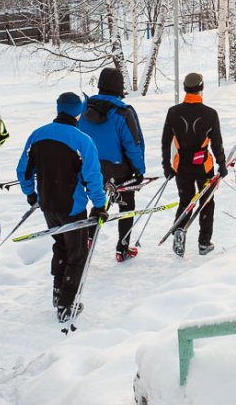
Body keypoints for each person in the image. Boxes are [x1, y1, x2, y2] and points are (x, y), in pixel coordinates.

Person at [17, 92, 107, 320]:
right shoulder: (82, 140)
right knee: (77, 254)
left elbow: (23, 170)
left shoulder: (37, 135)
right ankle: (67, 305)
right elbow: (92, 176)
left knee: (60, 245)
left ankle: (59, 293)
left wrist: (31, 194)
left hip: (48, 204)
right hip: (73, 208)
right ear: (78, 112)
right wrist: (99, 205)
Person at [78, 68, 146, 263]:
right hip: (119, 169)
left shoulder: (84, 110)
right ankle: (122, 248)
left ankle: (88, 238)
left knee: (100, 201)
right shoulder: (122, 112)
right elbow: (133, 144)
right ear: (119, 87)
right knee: (127, 205)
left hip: (92, 168)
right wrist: (139, 170)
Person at [161, 73, 227, 257]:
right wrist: (222, 164)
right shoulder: (210, 113)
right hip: (203, 165)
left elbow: (166, 142)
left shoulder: (173, 112)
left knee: (186, 200)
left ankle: (179, 231)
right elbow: (217, 143)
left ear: (184, 88)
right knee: (206, 201)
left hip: (181, 165)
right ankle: (204, 242)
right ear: (201, 87)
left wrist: (167, 166)